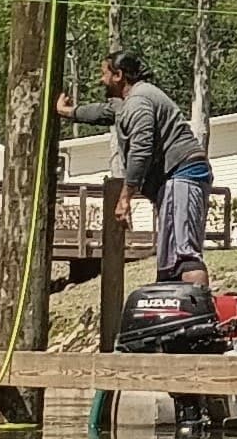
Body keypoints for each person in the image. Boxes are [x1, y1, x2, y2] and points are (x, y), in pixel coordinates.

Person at [63, 52, 214, 284]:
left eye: (104, 74)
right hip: (178, 177)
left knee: (184, 256)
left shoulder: (139, 101)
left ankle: (199, 316)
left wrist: (126, 197)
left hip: (181, 173)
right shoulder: (133, 100)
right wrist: (70, 113)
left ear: (118, 75)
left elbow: (141, 149)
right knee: (170, 259)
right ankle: (173, 315)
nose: (100, 80)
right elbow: (104, 112)